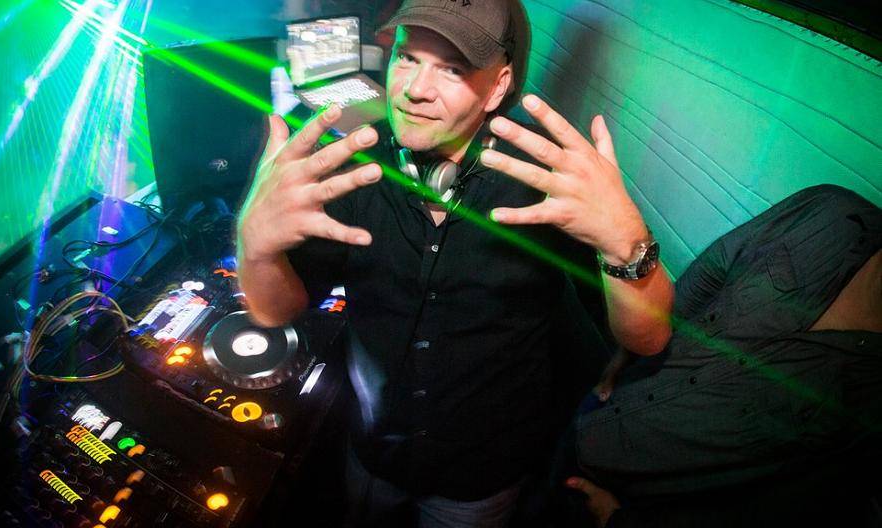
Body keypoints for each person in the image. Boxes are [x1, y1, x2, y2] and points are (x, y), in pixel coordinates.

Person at [236, 0, 674, 525]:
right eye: (407, 57)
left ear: (497, 87)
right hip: (372, 451)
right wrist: (255, 247)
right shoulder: (352, 164)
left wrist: (628, 245)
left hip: (479, 479)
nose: (416, 89)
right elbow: (276, 310)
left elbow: (648, 338)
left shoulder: (546, 183)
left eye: (452, 69)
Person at [553, 184, 882, 527]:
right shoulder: (831, 212)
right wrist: (632, 350)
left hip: (641, 495)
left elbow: (789, 505)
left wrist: (621, 521)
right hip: (608, 402)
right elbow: (712, 271)